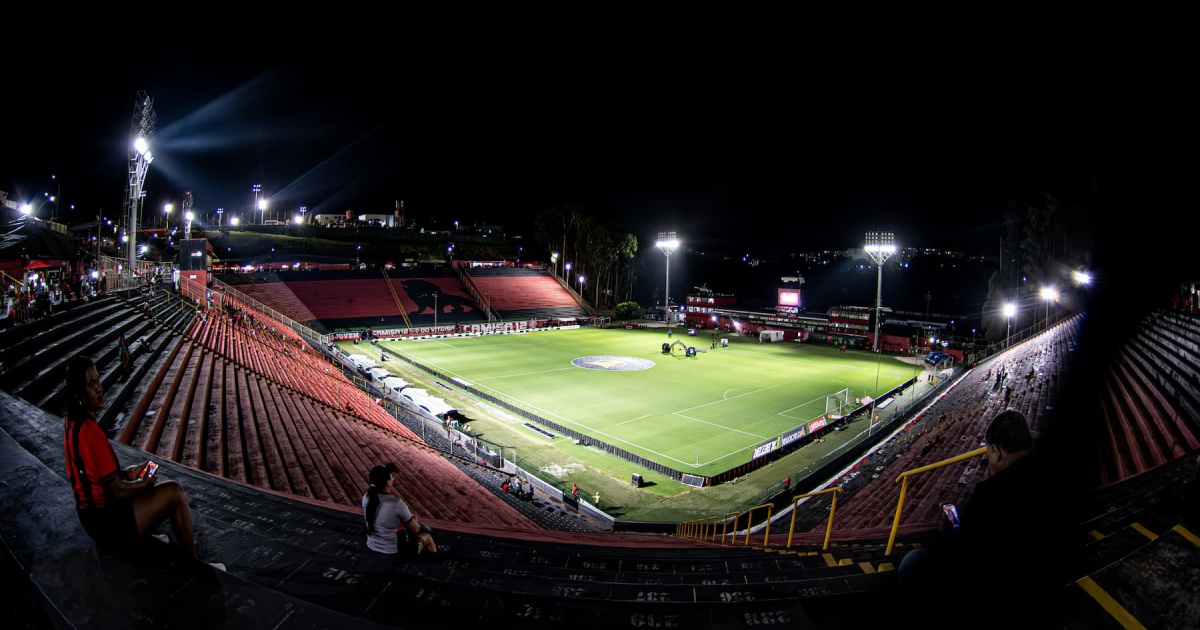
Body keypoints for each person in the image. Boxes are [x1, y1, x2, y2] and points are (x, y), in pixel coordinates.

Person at [897, 409, 1071, 624]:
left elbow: (965, 550)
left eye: (988, 453)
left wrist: (951, 523)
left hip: (992, 585)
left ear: (996, 451)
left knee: (912, 561)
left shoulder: (991, 493)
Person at [63, 354, 198, 559]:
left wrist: (129, 474)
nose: (99, 388)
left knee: (137, 473)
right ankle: (193, 561)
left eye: (97, 380)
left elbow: (97, 477)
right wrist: (143, 486)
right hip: (109, 527)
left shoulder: (72, 423)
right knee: (174, 492)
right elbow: (116, 491)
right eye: (92, 384)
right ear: (77, 393)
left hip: (90, 518)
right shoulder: (90, 433)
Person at [362, 463, 436, 556]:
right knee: (428, 537)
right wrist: (414, 520)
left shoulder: (366, 497)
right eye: (391, 476)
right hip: (392, 550)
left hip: (371, 545)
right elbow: (415, 529)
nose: (393, 478)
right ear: (388, 482)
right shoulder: (396, 503)